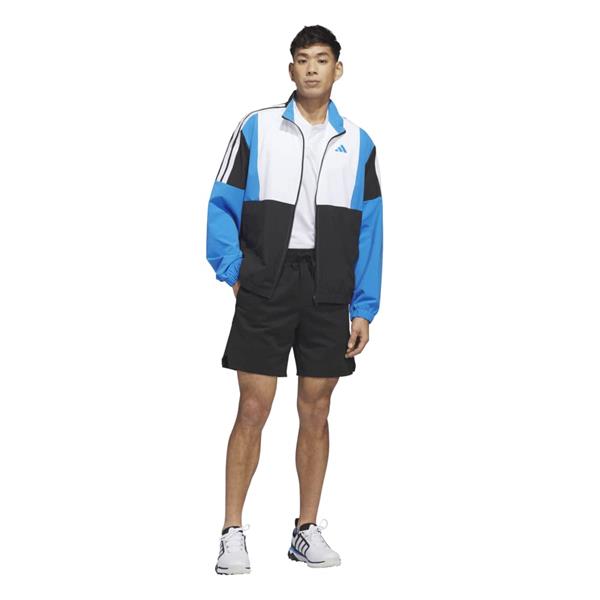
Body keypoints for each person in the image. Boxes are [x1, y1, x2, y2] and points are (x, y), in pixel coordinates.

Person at [206, 25, 384, 574]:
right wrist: (235, 271)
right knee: (253, 407)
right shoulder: (257, 128)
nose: (311, 68)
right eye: (302, 59)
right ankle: (232, 532)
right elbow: (221, 201)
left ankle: (306, 529)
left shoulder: (359, 142)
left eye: (321, 59)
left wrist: (363, 306)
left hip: (328, 288)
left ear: (337, 70)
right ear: (291, 70)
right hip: (267, 281)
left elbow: (370, 229)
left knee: (317, 409)